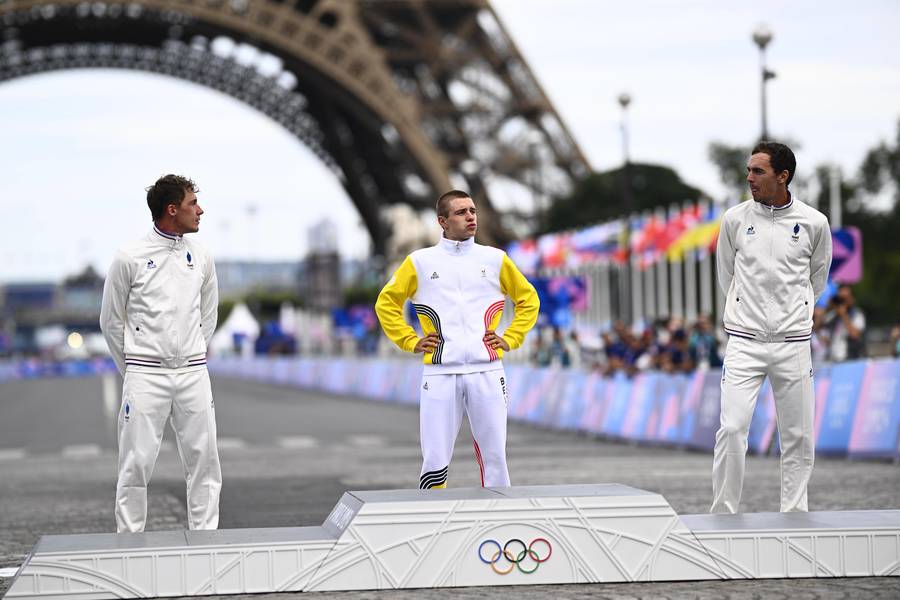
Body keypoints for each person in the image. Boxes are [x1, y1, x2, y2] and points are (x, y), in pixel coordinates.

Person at [375, 190, 539, 489]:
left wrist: (512, 337)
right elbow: (386, 304)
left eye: (473, 210)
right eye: (461, 212)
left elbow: (528, 299)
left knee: (495, 458)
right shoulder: (420, 262)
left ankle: (498, 519)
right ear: (442, 221)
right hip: (440, 373)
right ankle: (433, 520)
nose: (470, 216)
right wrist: (410, 340)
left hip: (487, 372)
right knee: (435, 460)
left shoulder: (495, 259)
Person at [711, 142, 832, 514]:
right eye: (748, 170)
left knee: (797, 436)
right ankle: (723, 513)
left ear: (783, 176)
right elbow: (726, 275)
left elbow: (818, 279)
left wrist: (791, 314)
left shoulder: (815, 222)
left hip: (793, 344)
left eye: (758, 171)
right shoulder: (734, 219)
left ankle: (795, 514)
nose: (749, 178)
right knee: (732, 429)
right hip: (744, 343)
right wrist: (747, 313)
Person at [100, 174, 221, 532]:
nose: (200, 210)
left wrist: (191, 355)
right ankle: (129, 540)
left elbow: (208, 314)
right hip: (145, 374)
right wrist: (136, 369)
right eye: (192, 204)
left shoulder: (201, 256)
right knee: (135, 465)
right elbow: (111, 321)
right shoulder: (129, 257)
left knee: (205, 462)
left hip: (193, 372)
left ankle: (206, 540)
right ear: (172, 210)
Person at [823, 284, 866, 361]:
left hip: (851, 360)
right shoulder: (834, 315)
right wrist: (830, 305)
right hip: (834, 359)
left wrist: (844, 315)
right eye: (841, 299)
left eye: (845, 298)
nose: (842, 302)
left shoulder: (857, 314)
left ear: (852, 298)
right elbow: (820, 324)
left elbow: (855, 335)